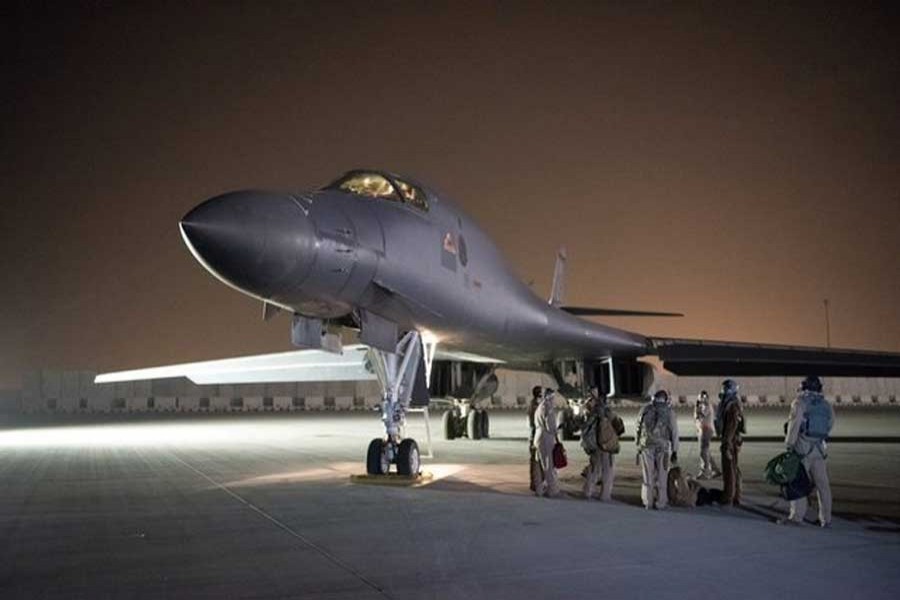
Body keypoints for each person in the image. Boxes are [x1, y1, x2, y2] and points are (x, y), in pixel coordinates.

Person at [780, 376, 834, 527]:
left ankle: (797, 517)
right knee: (823, 485)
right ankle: (826, 519)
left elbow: (794, 425)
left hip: (802, 449)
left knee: (798, 482)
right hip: (819, 448)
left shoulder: (799, 403)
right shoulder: (826, 405)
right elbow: (830, 424)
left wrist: (789, 445)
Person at [636, 389, 679, 510]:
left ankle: (647, 502)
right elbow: (674, 432)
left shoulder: (645, 409)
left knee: (647, 476)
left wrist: (638, 445)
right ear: (665, 399)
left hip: (646, 447)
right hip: (663, 448)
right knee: (662, 476)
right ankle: (661, 502)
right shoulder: (669, 412)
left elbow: (638, 428)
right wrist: (675, 450)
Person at [581, 388, 619, 501]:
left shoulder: (589, 410)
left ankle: (587, 492)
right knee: (608, 471)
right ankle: (605, 495)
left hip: (594, 445)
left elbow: (584, 425)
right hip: (606, 445)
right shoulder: (607, 411)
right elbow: (618, 426)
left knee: (594, 469)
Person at [716, 379, 744, 507]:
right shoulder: (731, 403)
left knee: (729, 470)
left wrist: (726, 444)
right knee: (734, 468)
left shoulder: (731, 405)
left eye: (725, 388)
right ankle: (736, 495)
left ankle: (729, 497)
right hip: (732, 439)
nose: (723, 391)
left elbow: (731, 426)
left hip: (730, 441)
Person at [533, 388, 560, 497]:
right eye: (553, 397)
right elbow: (550, 426)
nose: (554, 399)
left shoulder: (539, 407)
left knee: (539, 465)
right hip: (545, 438)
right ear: (549, 397)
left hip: (538, 436)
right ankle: (552, 490)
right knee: (548, 465)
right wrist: (556, 433)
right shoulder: (548, 407)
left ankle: (539, 489)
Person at [694, 390, 721, 479]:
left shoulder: (706, 406)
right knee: (706, 451)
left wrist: (697, 409)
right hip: (702, 430)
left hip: (706, 430)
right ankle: (715, 469)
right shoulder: (702, 406)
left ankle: (704, 472)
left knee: (703, 451)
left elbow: (700, 416)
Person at [528, 385, 542, 491]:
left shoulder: (534, 404)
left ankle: (536, 482)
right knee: (535, 460)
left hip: (534, 435)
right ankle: (535, 483)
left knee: (535, 460)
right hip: (535, 436)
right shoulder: (535, 406)